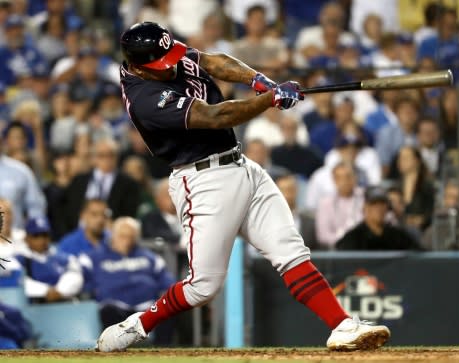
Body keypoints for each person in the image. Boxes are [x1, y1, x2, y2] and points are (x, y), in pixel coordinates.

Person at [96, 22, 390, 352]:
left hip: (241, 165)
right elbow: (215, 116)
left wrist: (260, 81)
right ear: (138, 66)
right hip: (202, 181)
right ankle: (139, 324)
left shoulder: (162, 53)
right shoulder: (145, 99)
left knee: (290, 250)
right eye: (162, 65)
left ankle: (341, 325)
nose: (171, 67)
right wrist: (269, 100)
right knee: (202, 287)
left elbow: (211, 61)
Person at [81, 217, 175, 346]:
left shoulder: (150, 257)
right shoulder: (93, 257)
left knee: (168, 309)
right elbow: (83, 282)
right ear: (113, 235)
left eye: (131, 237)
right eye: (122, 236)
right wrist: (94, 292)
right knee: (109, 311)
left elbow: (167, 281)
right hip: (114, 306)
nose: (127, 241)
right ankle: (114, 349)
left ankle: (162, 352)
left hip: (147, 307)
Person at [15, 217, 83, 303]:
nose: (41, 240)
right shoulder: (19, 260)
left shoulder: (63, 258)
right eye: (36, 236)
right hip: (35, 308)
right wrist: (45, 291)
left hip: (63, 304)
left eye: (45, 235)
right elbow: (19, 281)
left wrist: (59, 291)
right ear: (26, 238)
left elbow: (76, 276)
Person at [336, 186, 421, 251]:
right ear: (365, 207)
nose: (379, 208)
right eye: (374, 204)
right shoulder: (354, 237)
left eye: (382, 204)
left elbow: (421, 256)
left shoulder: (397, 236)